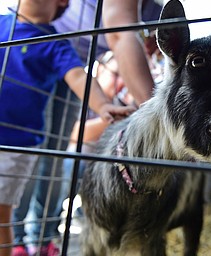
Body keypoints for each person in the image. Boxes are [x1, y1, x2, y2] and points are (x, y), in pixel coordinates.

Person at [0, 1, 136, 256]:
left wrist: (103, 105)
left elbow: (77, 76)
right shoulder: (1, 22)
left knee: (0, 214)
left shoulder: (56, 42)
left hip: (15, 145)